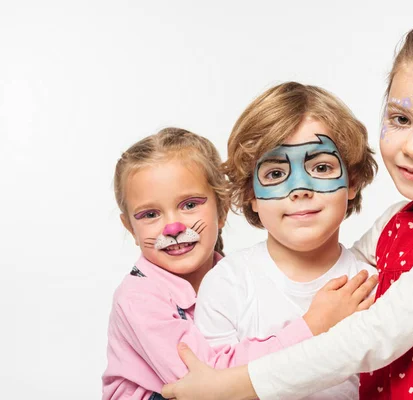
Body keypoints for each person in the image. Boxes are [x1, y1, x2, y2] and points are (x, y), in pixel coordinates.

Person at [162, 21, 413, 399]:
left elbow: (378, 333)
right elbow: (324, 257)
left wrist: (230, 386)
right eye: (401, 119)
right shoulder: (395, 223)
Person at [102, 127, 376, 399]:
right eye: (150, 214)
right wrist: (312, 327)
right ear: (130, 228)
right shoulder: (138, 298)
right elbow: (210, 381)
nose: (172, 227)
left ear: (222, 210)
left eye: (189, 205)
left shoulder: (233, 276)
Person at [194, 82, 379, 399]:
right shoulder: (228, 285)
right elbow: (213, 389)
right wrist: (313, 326)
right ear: (251, 194)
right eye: (276, 173)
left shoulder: (372, 285)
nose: (300, 188)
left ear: (353, 181)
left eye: (321, 167)